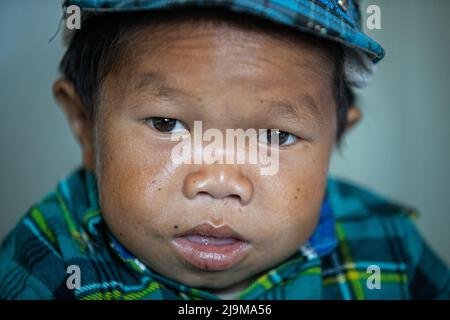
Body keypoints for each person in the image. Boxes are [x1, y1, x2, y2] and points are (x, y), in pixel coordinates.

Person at [0, 0, 448, 300]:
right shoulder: (46, 266)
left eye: (274, 136)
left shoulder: (391, 251)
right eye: (166, 124)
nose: (218, 182)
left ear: (334, 137)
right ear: (85, 127)